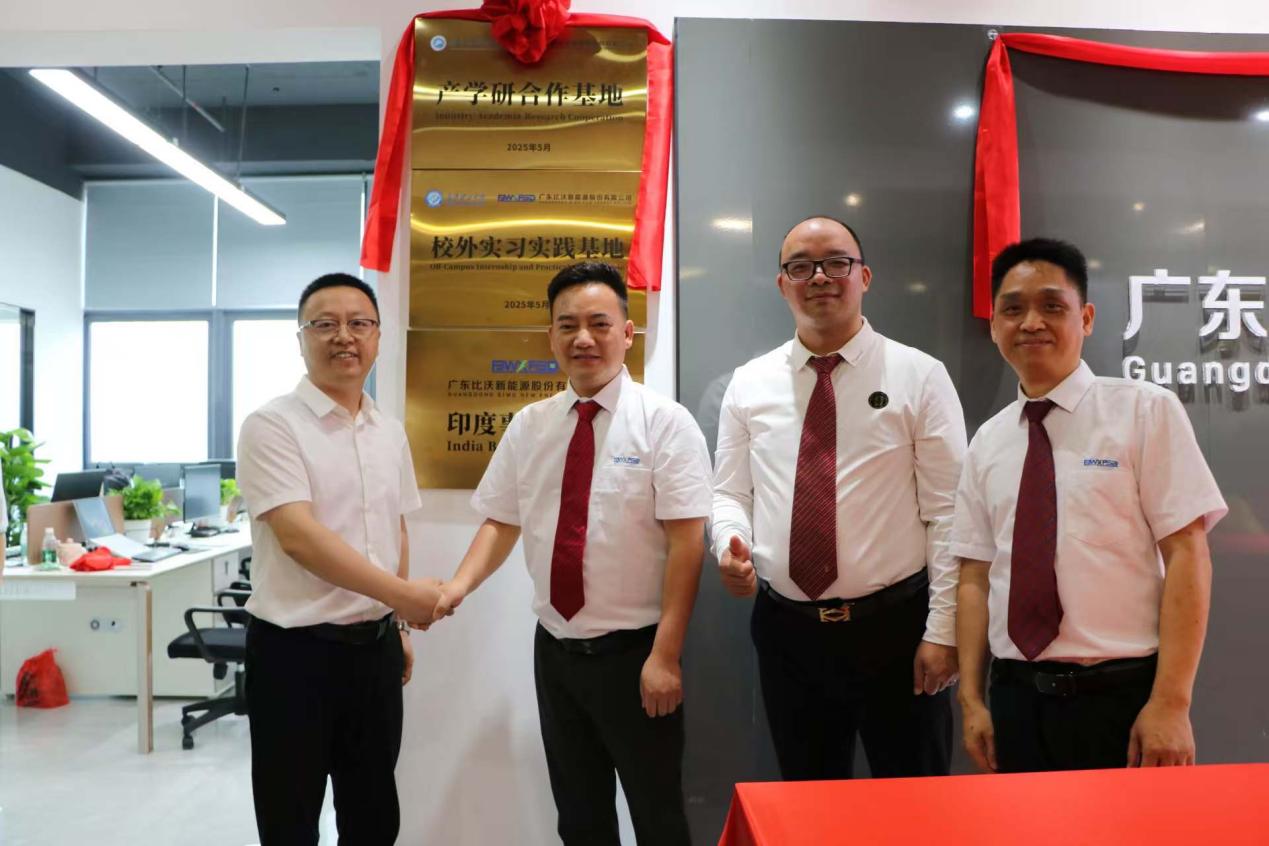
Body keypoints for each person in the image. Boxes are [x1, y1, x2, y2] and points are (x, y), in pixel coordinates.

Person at [431, 261, 711, 845]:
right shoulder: (529, 426)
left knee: (658, 816)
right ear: (550, 336)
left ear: (627, 334)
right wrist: (456, 587)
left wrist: (665, 656)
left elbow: (687, 543)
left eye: (599, 323)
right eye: (568, 325)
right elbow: (500, 521)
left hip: (637, 654)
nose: (583, 338)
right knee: (580, 818)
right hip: (557, 653)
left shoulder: (665, 424)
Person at [953, 238, 1227, 774]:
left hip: (1121, 698)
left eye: (1052, 305)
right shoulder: (988, 440)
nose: (1031, 322)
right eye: (1013, 308)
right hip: (1015, 699)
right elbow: (975, 575)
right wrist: (972, 700)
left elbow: (1188, 554)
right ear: (995, 326)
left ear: (1087, 318)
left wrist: (1171, 702)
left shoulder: (1144, 411)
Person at [711, 215, 967, 780]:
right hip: (788, 632)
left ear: (864, 277)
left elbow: (950, 515)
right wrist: (730, 544)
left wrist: (943, 630)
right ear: (782, 284)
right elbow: (728, 491)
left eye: (836, 263)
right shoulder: (749, 383)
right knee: (808, 801)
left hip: (897, 630)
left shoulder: (920, 376)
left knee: (915, 806)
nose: (820, 277)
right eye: (801, 267)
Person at [237, 272, 447, 845]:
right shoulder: (271, 425)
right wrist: (405, 597)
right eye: (325, 324)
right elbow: (299, 538)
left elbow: (394, 527)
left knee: (373, 817)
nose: (344, 337)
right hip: (293, 655)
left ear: (378, 337)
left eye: (359, 323)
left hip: (374, 654)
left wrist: (397, 622)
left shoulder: (388, 431)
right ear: (300, 338)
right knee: (290, 819)